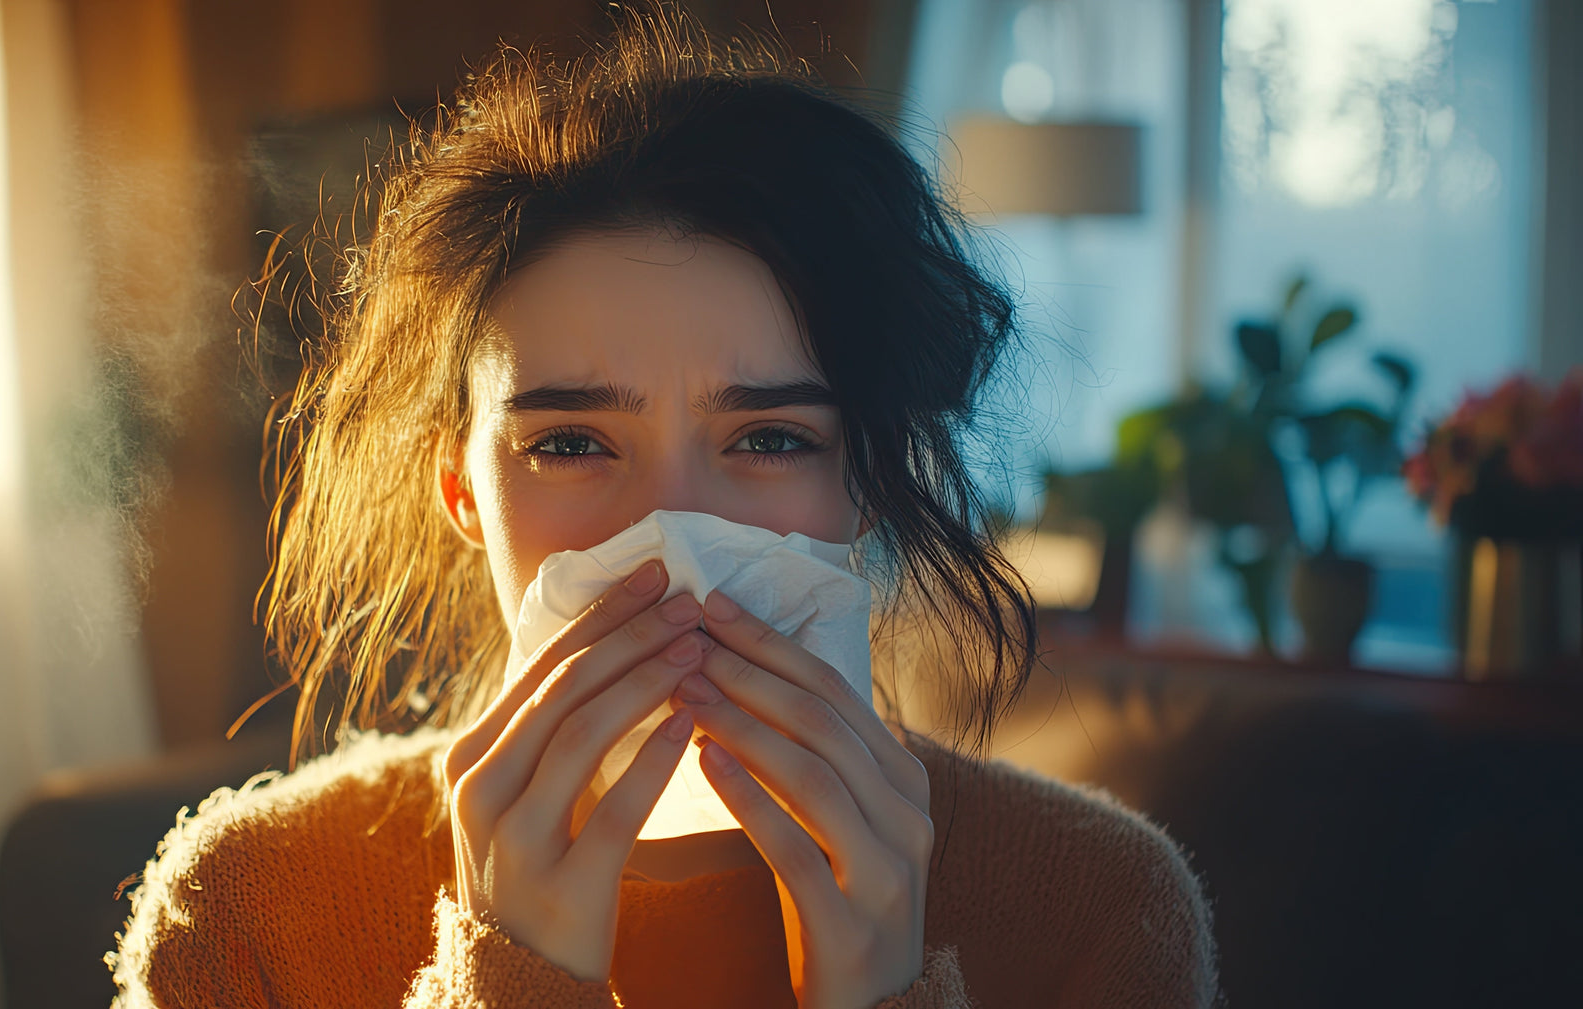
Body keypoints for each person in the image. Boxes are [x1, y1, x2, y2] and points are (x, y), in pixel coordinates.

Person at [108, 7, 1218, 1007]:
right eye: (573, 443)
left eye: (771, 438)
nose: (670, 537)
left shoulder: (1100, 905)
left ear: (874, 482)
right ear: (460, 489)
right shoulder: (249, 907)